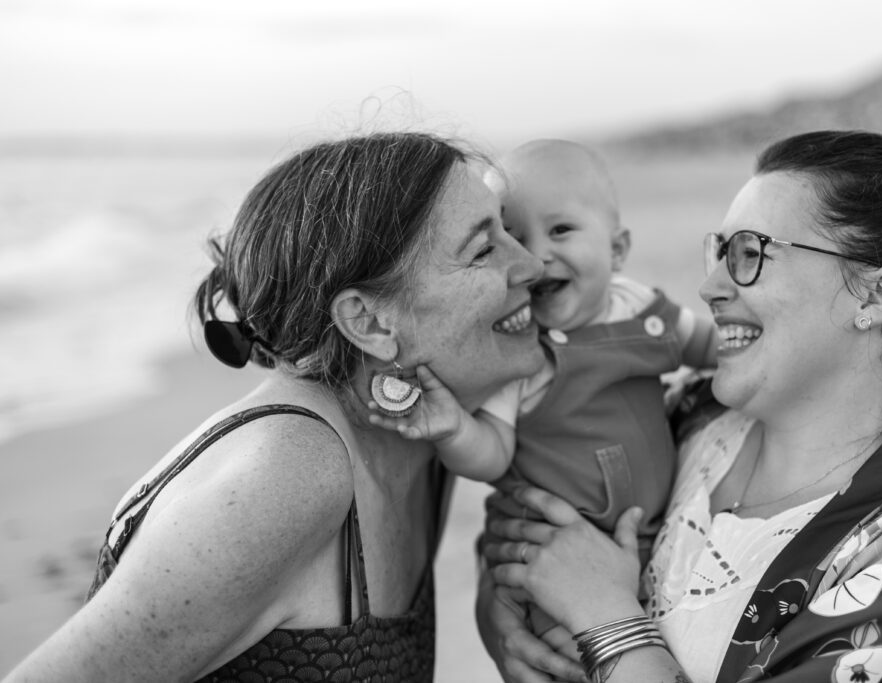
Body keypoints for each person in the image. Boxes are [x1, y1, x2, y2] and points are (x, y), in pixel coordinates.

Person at [1, 131, 547, 683]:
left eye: (510, 229)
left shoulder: (428, 429)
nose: (534, 265)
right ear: (371, 323)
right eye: (484, 249)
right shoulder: (288, 476)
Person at [479, 130, 882, 682]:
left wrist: (607, 619)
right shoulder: (689, 417)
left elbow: (586, 589)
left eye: (749, 254)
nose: (709, 287)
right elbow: (533, 528)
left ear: (877, 295)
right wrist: (502, 621)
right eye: (718, 251)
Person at [369, 139, 717, 656]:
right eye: (512, 235)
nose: (536, 255)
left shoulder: (641, 310)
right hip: (553, 550)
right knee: (567, 657)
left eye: (561, 230)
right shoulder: (521, 351)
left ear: (617, 250)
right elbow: (493, 456)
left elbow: (712, 348)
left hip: (651, 540)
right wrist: (455, 430)